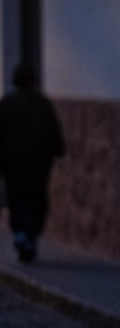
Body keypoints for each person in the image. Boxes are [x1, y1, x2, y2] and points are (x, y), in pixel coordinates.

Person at [0, 62, 65, 263]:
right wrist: (57, 150)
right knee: (36, 199)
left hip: (14, 163)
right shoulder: (42, 105)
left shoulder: (7, 104)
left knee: (16, 198)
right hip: (38, 163)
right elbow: (54, 133)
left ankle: (21, 232)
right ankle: (30, 234)